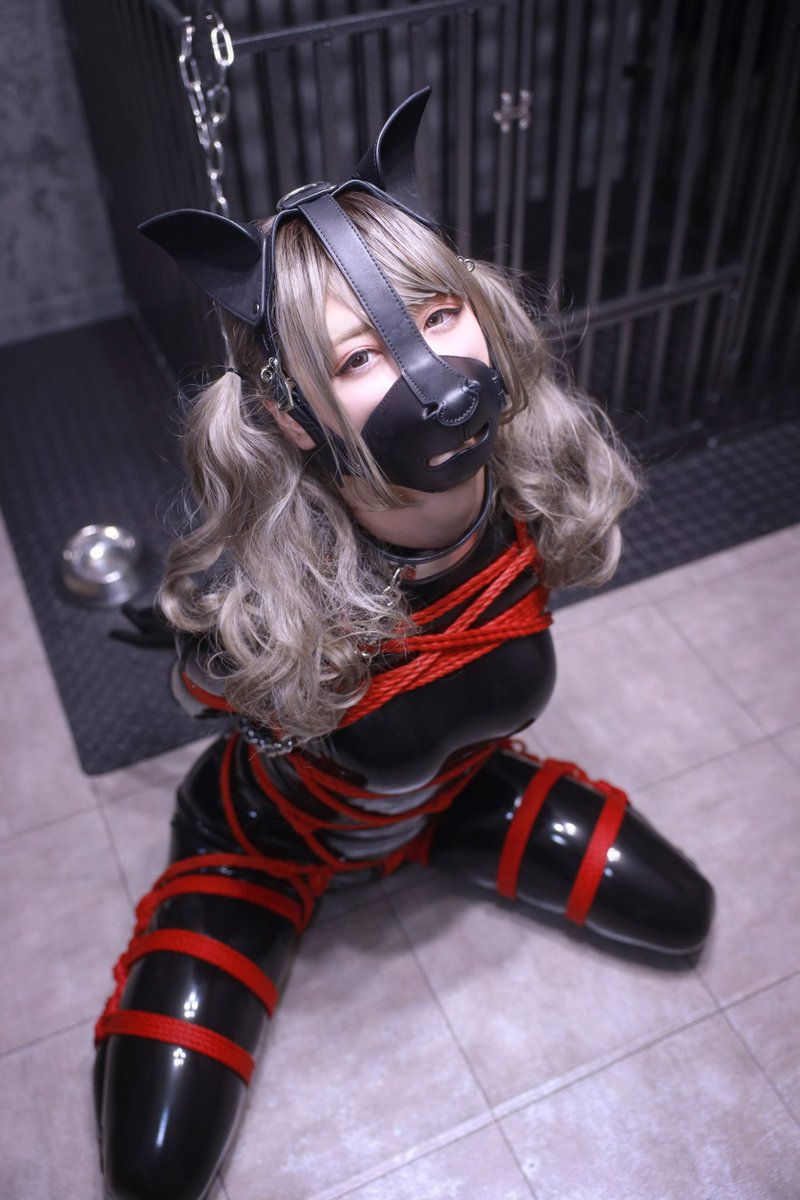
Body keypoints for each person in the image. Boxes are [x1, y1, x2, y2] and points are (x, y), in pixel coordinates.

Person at [94, 89, 714, 1200]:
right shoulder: (266, 600)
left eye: (437, 314)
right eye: (356, 358)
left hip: (456, 799)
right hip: (262, 844)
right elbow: (203, 675)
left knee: (683, 915)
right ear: (293, 417)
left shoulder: (528, 505)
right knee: (155, 1173)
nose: (434, 375)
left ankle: (446, 833)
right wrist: (194, 638)